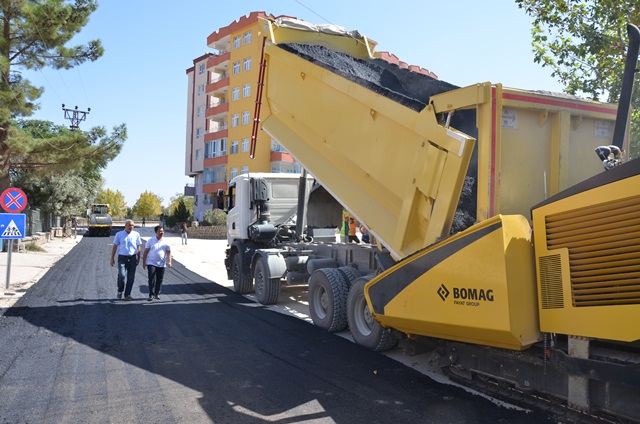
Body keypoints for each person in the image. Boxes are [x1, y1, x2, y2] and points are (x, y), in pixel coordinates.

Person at [110, 219, 142, 300]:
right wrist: (112, 258)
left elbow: (138, 247)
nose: (131, 227)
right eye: (129, 225)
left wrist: (138, 258)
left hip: (132, 258)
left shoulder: (136, 234)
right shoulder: (119, 234)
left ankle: (127, 294)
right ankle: (120, 291)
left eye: (132, 225)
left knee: (131, 277)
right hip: (122, 258)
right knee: (122, 275)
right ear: (125, 226)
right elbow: (115, 246)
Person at [142, 225, 172, 301]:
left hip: (161, 263)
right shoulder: (150, 240)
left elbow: (169, 252)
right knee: (151, 278)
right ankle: (151, 294)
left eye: (162, 231)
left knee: (159, 279)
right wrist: (144, 262)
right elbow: (145, 252)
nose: (161, 232)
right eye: (160, 231)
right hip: (151, 262)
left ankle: (157, 293)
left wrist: (169, 262)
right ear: (156, 232)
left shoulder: (166, 242)